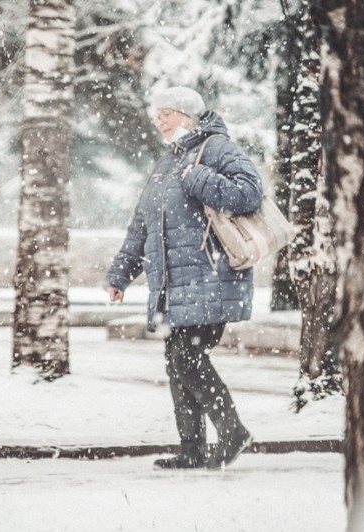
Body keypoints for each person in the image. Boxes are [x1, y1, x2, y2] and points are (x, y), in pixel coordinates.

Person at [105, 86, 263, 470]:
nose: (159, 121)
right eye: (157, 114)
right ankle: (192, 450)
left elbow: (250, 193)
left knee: (186, 357)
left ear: (188, 116)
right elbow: (141, 226)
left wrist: (199, 179)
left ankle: (232, 433)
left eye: (167, 114)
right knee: (177, 362)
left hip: (210, 277)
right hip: (176, 287)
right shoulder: (167, 163)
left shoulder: (217, 148)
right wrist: (120, 275)